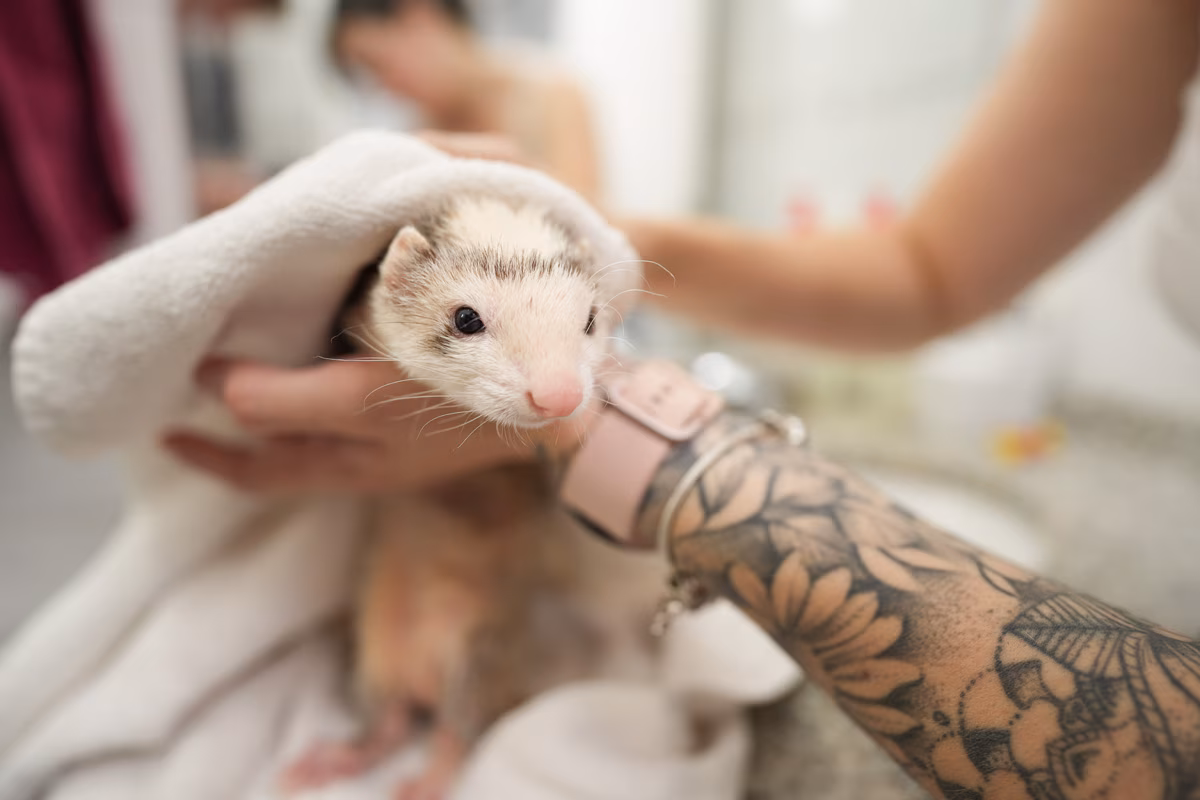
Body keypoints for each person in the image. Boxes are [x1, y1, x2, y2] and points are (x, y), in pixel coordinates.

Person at [163, 0, 1200, 796]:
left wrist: (601, 418)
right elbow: (927, 269)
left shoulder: (545, 92)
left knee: (493, 583)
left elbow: (572, 257)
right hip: (517, 358)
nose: (380, 79)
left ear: (424, 20)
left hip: (574, 390)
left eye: (376, 55)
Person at [331, 0, 600, 200]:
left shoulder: (551, 95)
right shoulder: (419, 131)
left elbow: (592, 222)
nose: (383, 87)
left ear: (418, 13)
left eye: (377, 65)